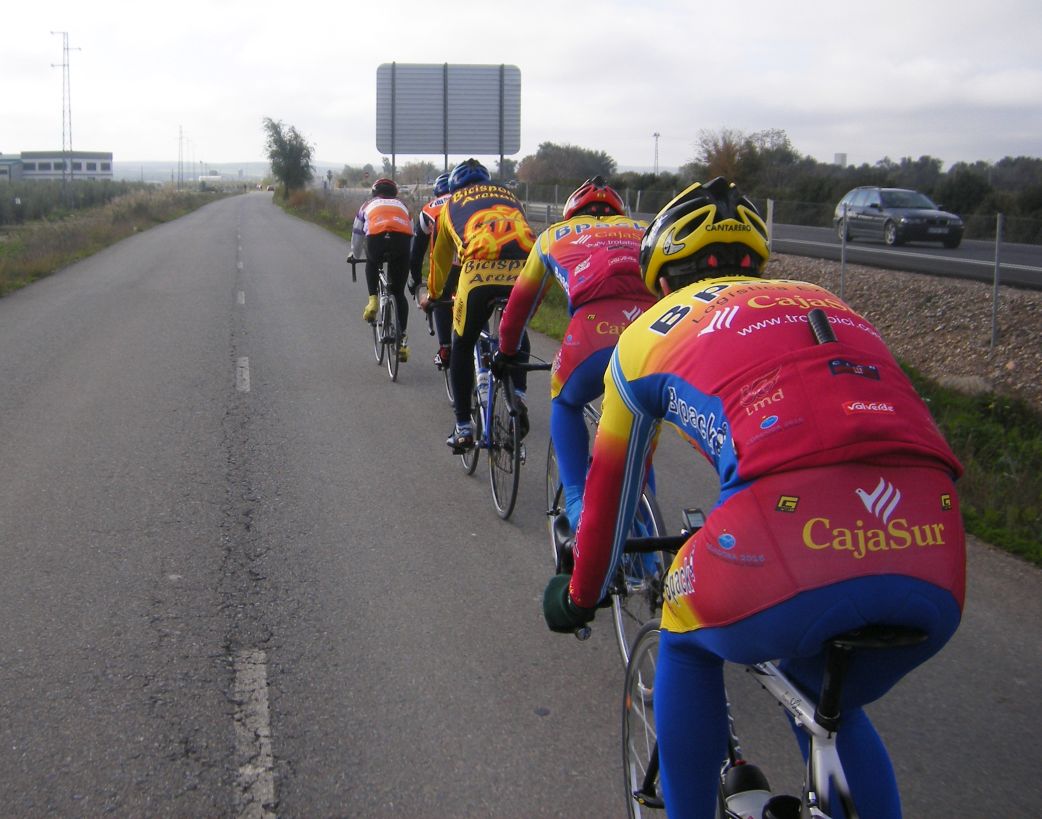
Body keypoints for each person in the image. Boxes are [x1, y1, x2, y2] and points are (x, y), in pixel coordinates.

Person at [542, 177, 966, 819]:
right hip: (936, 552)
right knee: (827, 702)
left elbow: (609, 502)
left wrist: (580, 595)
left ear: (661, 281)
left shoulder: (648, 332)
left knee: (684, 631)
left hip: (790, 537)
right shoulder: (828, 301)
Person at [492, 176, 657, 532]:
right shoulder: (647, 230)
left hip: (593, 336)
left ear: (571, 213)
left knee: (566, 402)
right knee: (642, 422)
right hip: (654, 336)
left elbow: (519, 307)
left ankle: (577, 504)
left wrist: (506, 351)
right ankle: (645, 521)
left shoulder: (554, 235)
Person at [420, 158, 536, 450]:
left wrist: (433, 296)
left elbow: (439, 260)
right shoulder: (510, 197)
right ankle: (517, 398)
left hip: (479, 272)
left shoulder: (449, 206)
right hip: (526, 272)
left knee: (461, 344)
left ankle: (463, 427)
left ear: (454, 187)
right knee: (517, 330)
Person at [348, 178, 414, 361]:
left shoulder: (366, 205)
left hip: (376, 239)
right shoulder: (404, 206)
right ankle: (401, 342)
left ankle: (373, 302)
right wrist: (407, 257)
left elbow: (358, 233)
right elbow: (412, 233)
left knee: (372, 261)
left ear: (374, 193)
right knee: (398, 293)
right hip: (401, 242)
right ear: (395, 193)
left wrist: (355, 254)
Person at [409, 171, 456, 369]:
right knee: (475, 304)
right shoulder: (471, 201)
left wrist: (416, 281)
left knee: (440, 298)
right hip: (476, 259)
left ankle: (445, 348)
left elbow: (416, 253)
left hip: (447, 264)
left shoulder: (429, 209)